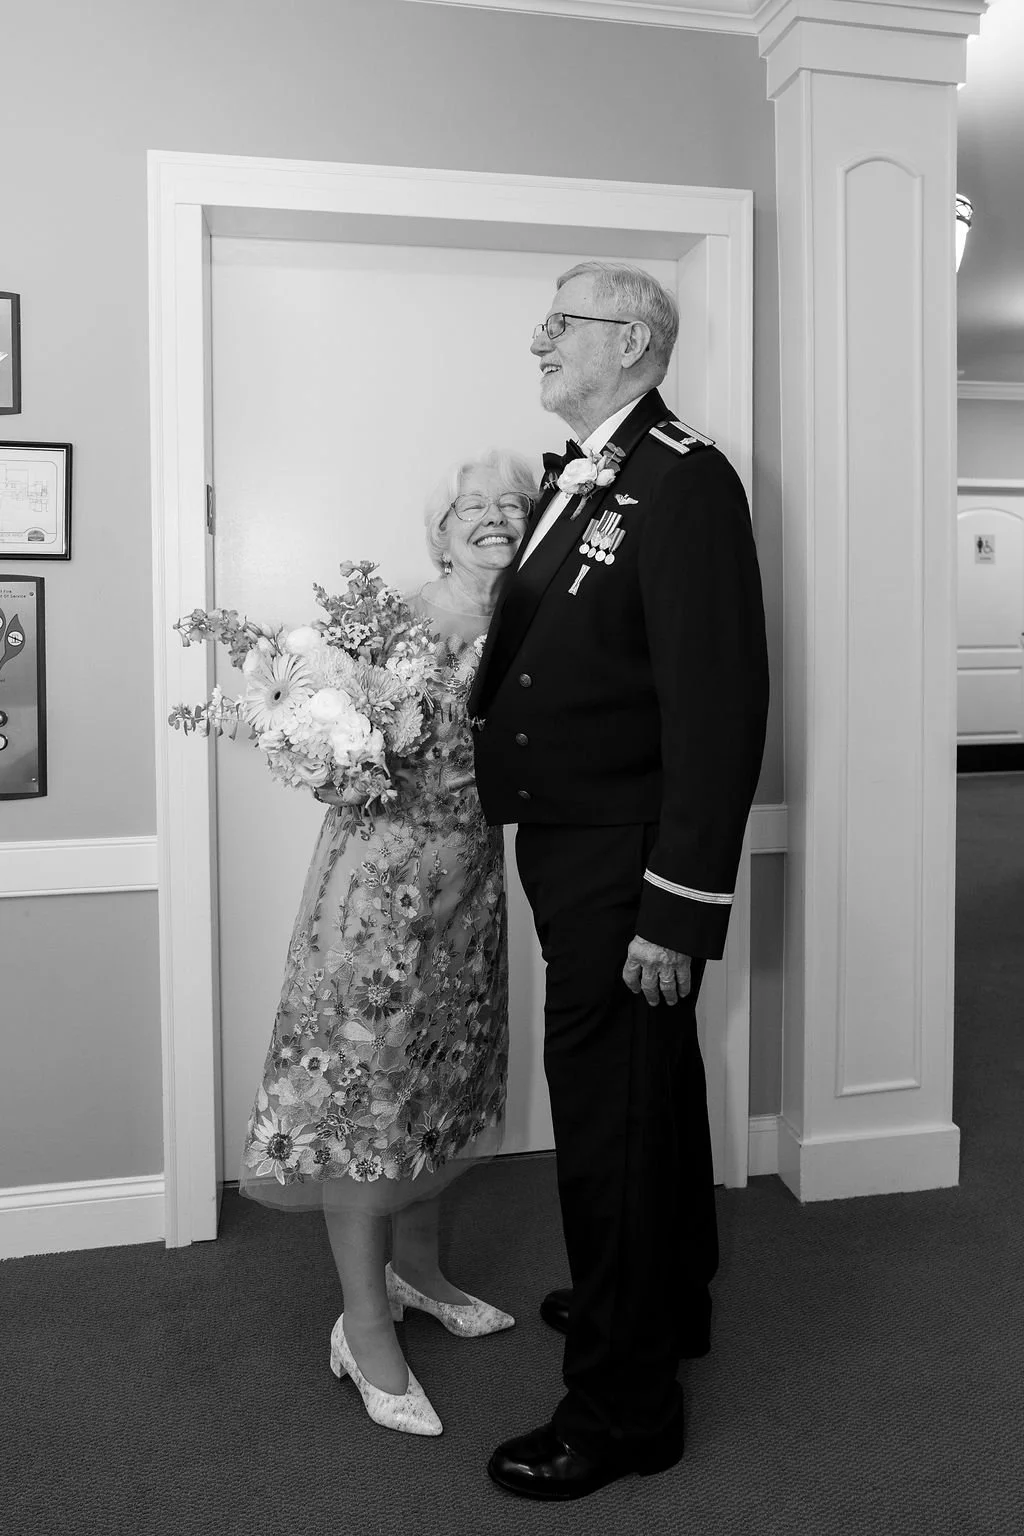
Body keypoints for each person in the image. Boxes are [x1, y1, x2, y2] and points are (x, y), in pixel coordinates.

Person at [468, 262, 769, 1499]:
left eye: (565, 320)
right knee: (649, 1093)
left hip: (628, 861)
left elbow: (718, 706)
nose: (539, 337)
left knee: (610, 1122)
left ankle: (622, 1407)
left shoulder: (684, 480)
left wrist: (677, 909)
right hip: (573, 842)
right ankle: (662, 1300)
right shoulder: (594, 472)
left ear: (633, 340)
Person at [239, 449, 536, 1436]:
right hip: (376, 901)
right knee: (368, 1101)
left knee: (440, 1085)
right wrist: (326, 756)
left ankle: (417, 1273)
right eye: (472, 505)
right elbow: (324, 750)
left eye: (512, 503)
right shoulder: (394, 625)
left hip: (469, 894)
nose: (493, 515)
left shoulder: (537, 621)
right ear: (439, 530)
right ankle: (362, 1329)